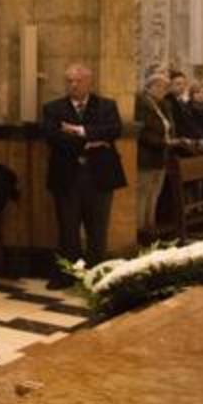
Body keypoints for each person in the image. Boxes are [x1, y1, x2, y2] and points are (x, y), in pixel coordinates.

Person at [42, 64, 126, 288]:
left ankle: (97, 274)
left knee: (97, 229)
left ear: (89, 82)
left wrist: (79, 131)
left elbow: (114, 130)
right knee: (68, 229)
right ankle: (68, 274)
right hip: (67, 176)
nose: (73, 85)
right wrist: (93, 141)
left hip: (99, 176)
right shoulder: (53, 108)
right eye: (69, 80)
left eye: (78, 81)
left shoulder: (106, 105)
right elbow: (53, 137)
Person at [136, 71, 182, 239]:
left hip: (161, 156)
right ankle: (140, 230)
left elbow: (168, 126)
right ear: (151, 86)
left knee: (154, 193)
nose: (164, 90)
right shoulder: (141, 102)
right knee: (142, 193)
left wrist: (172, 141)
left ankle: (150, 226)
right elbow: (141, 131)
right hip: (146, 155)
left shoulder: (162, 104)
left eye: (166, 87)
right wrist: (163, 143)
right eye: (162, 87)